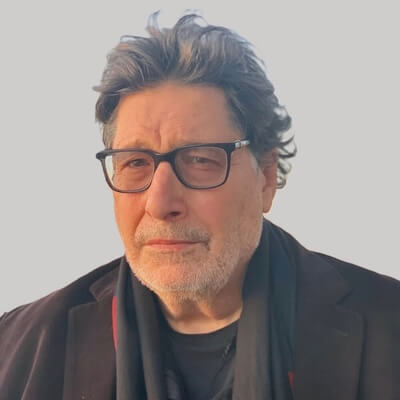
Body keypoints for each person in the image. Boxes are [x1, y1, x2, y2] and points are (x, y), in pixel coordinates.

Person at [0, 12, 399, 400]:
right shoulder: (19, 347)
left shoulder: (389, 328)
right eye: (135, 163)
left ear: (265, 177)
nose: (160, 203)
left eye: (200, 160)